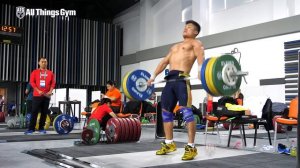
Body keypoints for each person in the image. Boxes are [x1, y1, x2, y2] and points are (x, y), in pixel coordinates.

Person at [147, 20, 204, 160]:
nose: (186, 28)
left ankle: (191, 147)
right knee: (166, 112)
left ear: (195, 32)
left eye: (189, 27)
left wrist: (201, 72)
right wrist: (153, 76)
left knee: (186, 112)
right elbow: (164, 62)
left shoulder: (196, 43)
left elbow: (201, 58)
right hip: (169, 81)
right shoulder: (175, 47)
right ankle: (169, 143)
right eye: (185, 26)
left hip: (182, 80)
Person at [25, 57, 56, 135]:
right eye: (42, 62)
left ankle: (41, 128)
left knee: (44, 112)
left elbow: (53, 83)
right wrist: (38, 90)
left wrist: (50, 91)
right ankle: (31, 129)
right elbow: (32, 82)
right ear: (39, 63)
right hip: (37, 95)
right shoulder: (34, 72)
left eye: (45, 62)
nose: (44, 63)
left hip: (46, 96)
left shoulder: (50, 73)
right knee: (34, 112)